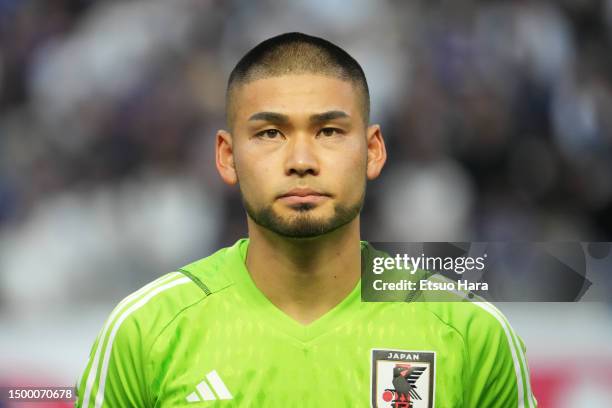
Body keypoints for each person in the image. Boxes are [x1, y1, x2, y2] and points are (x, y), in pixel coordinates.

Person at [75, 32, 537, 407]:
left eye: (329, 131)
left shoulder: (472, 333)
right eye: (270, 133)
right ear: (227, 156)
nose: (301, 160)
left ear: (373, 151)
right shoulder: (143, 333)